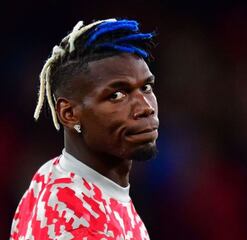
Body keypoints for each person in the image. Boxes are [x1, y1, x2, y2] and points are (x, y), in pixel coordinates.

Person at [10, 18, 158, 240]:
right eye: (116, 95)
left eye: (146, 87)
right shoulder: (76, 227)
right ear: (69, 114)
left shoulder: (54, 174)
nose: (145, 108)